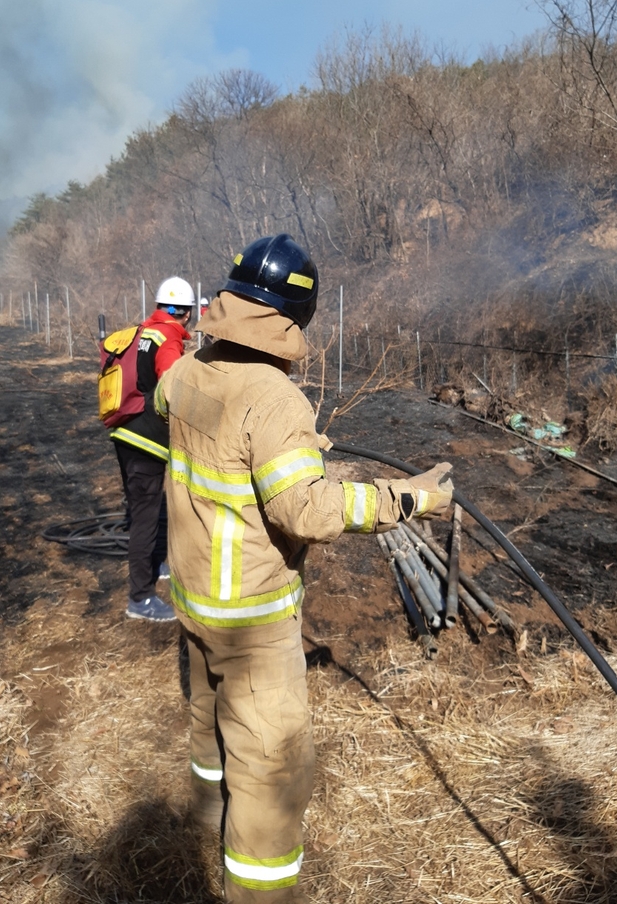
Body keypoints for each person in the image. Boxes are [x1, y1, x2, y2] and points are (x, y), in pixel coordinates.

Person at [155, 234, 453, 902]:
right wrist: (414, 497)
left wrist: (278, 451)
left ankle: (208, 822)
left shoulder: (191, 372)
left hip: (196, 604)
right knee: (274, 775)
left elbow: (179, 410)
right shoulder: (275, 399)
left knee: (209, 726)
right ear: (298, 315)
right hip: (255, 625)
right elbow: (308, 513)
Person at [112, 276, 195, 621]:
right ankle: (140, 598)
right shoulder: (169, 338)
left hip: (123, 429)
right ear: (186, 314)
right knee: (146, 516)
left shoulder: (142, 332)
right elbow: (174, 387)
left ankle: (155, 565)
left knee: (140, 508)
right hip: (146, 439)